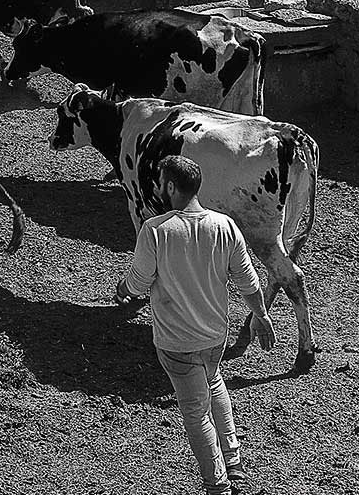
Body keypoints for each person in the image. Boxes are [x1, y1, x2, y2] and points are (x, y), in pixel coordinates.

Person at [117, 154, 274, 495]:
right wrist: (261, 315)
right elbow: (248, 281)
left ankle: (216, 485)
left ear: (171, 187)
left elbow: (139, 282)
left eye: (160, 182)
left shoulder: (155, 230)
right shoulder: (224, 226)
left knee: (194, 412)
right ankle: (234, 463)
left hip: (177, 342)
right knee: (214, 381)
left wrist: (123, 290)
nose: (157, 187)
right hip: (215, 336)